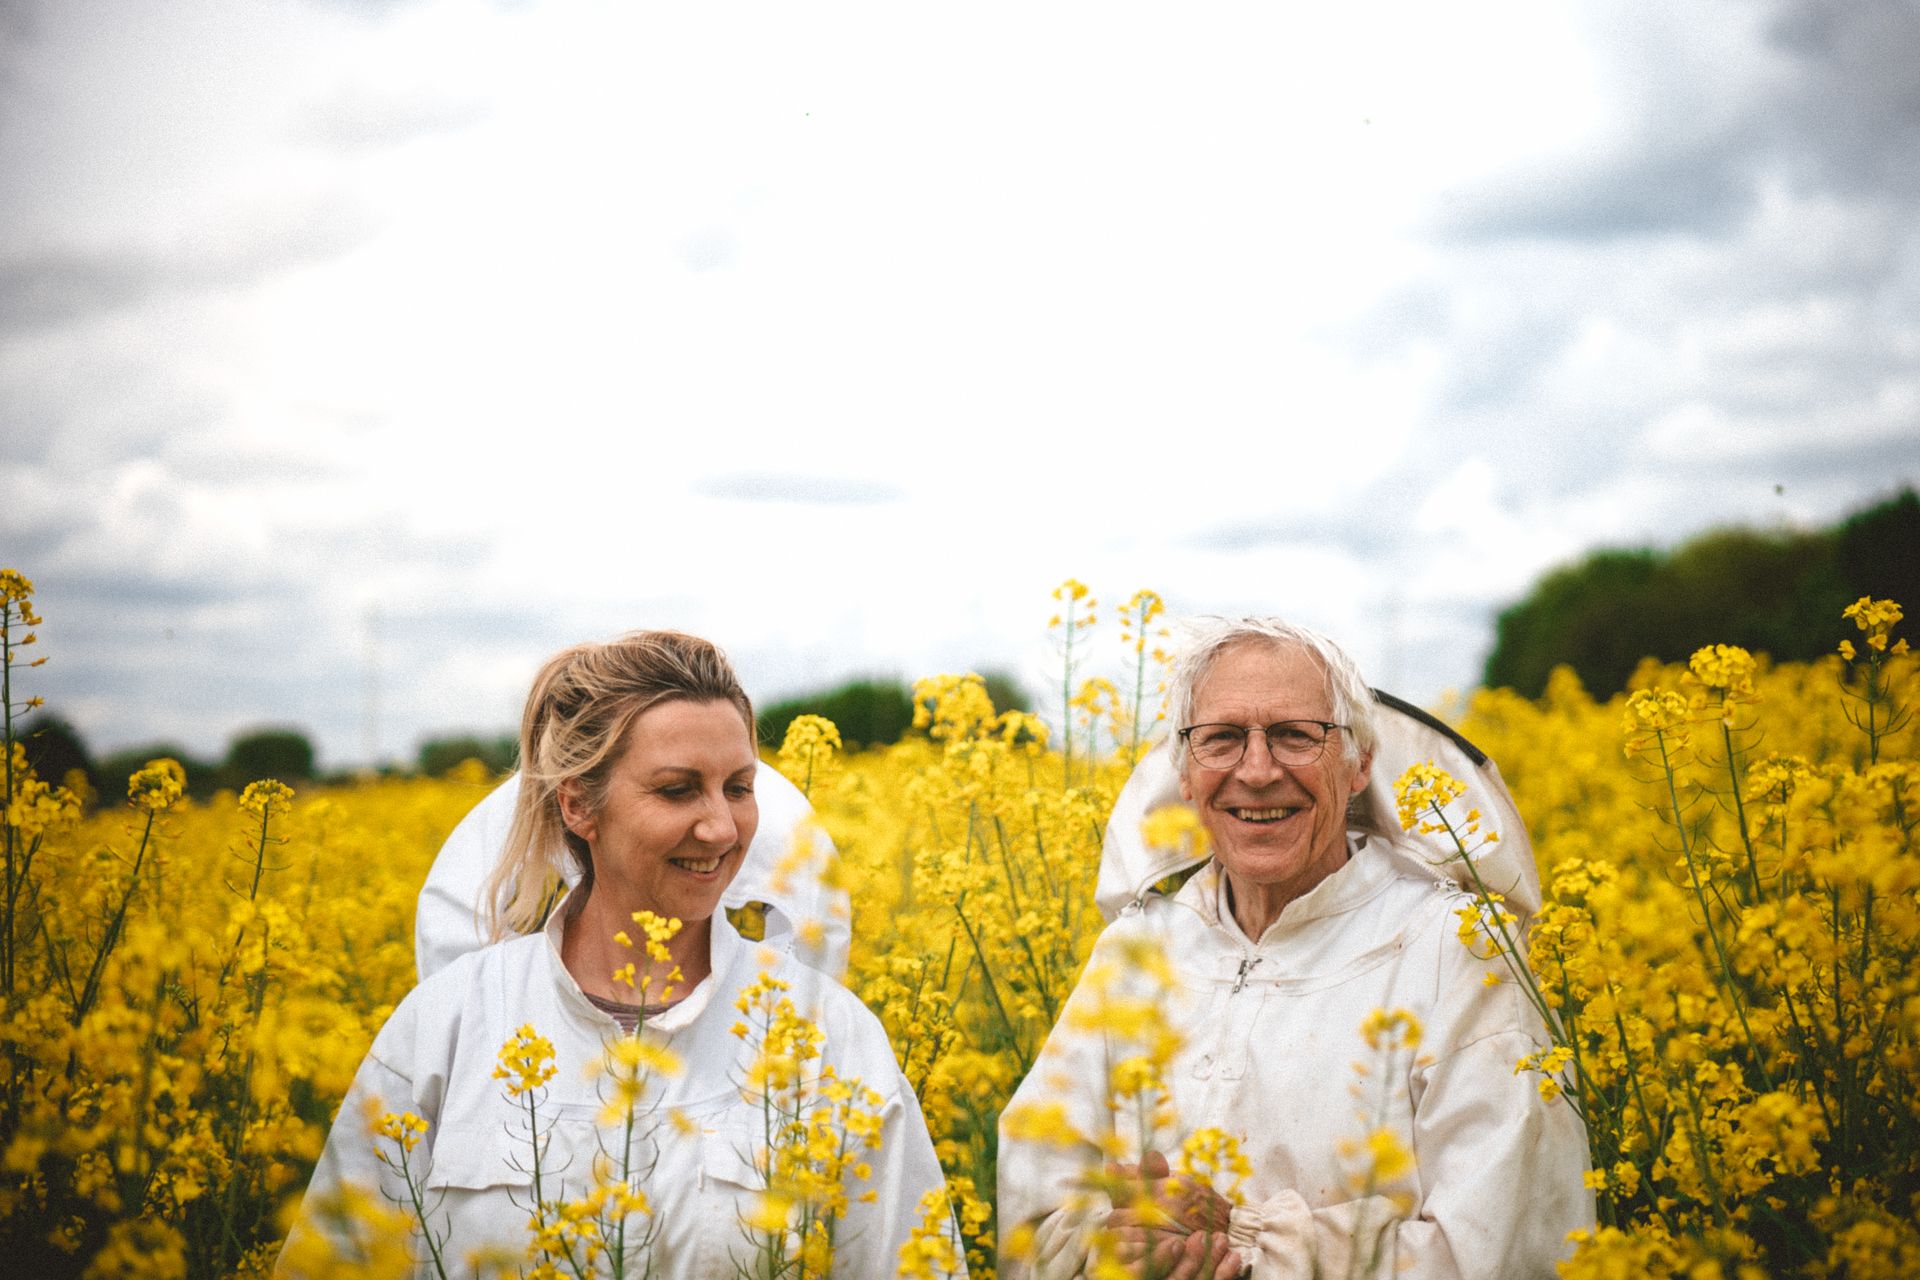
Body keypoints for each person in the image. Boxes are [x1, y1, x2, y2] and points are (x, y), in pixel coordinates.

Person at [282, 631, 957, 1278]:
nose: (722, 827)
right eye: (677, 789)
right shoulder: (447, 1026)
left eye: (739, 788)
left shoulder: (826, 1037)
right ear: (579, 806)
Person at [997, 617, 1592, 1279]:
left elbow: (1499, 1246)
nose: (1257, 771)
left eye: (1294, 736)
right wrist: (1121, 1243)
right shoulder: (1133, 952)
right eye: (1221, 739)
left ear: (1360, 762)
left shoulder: (1461, 951)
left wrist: (1245, 1247)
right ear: (1186, 773)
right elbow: (1033, 1209)